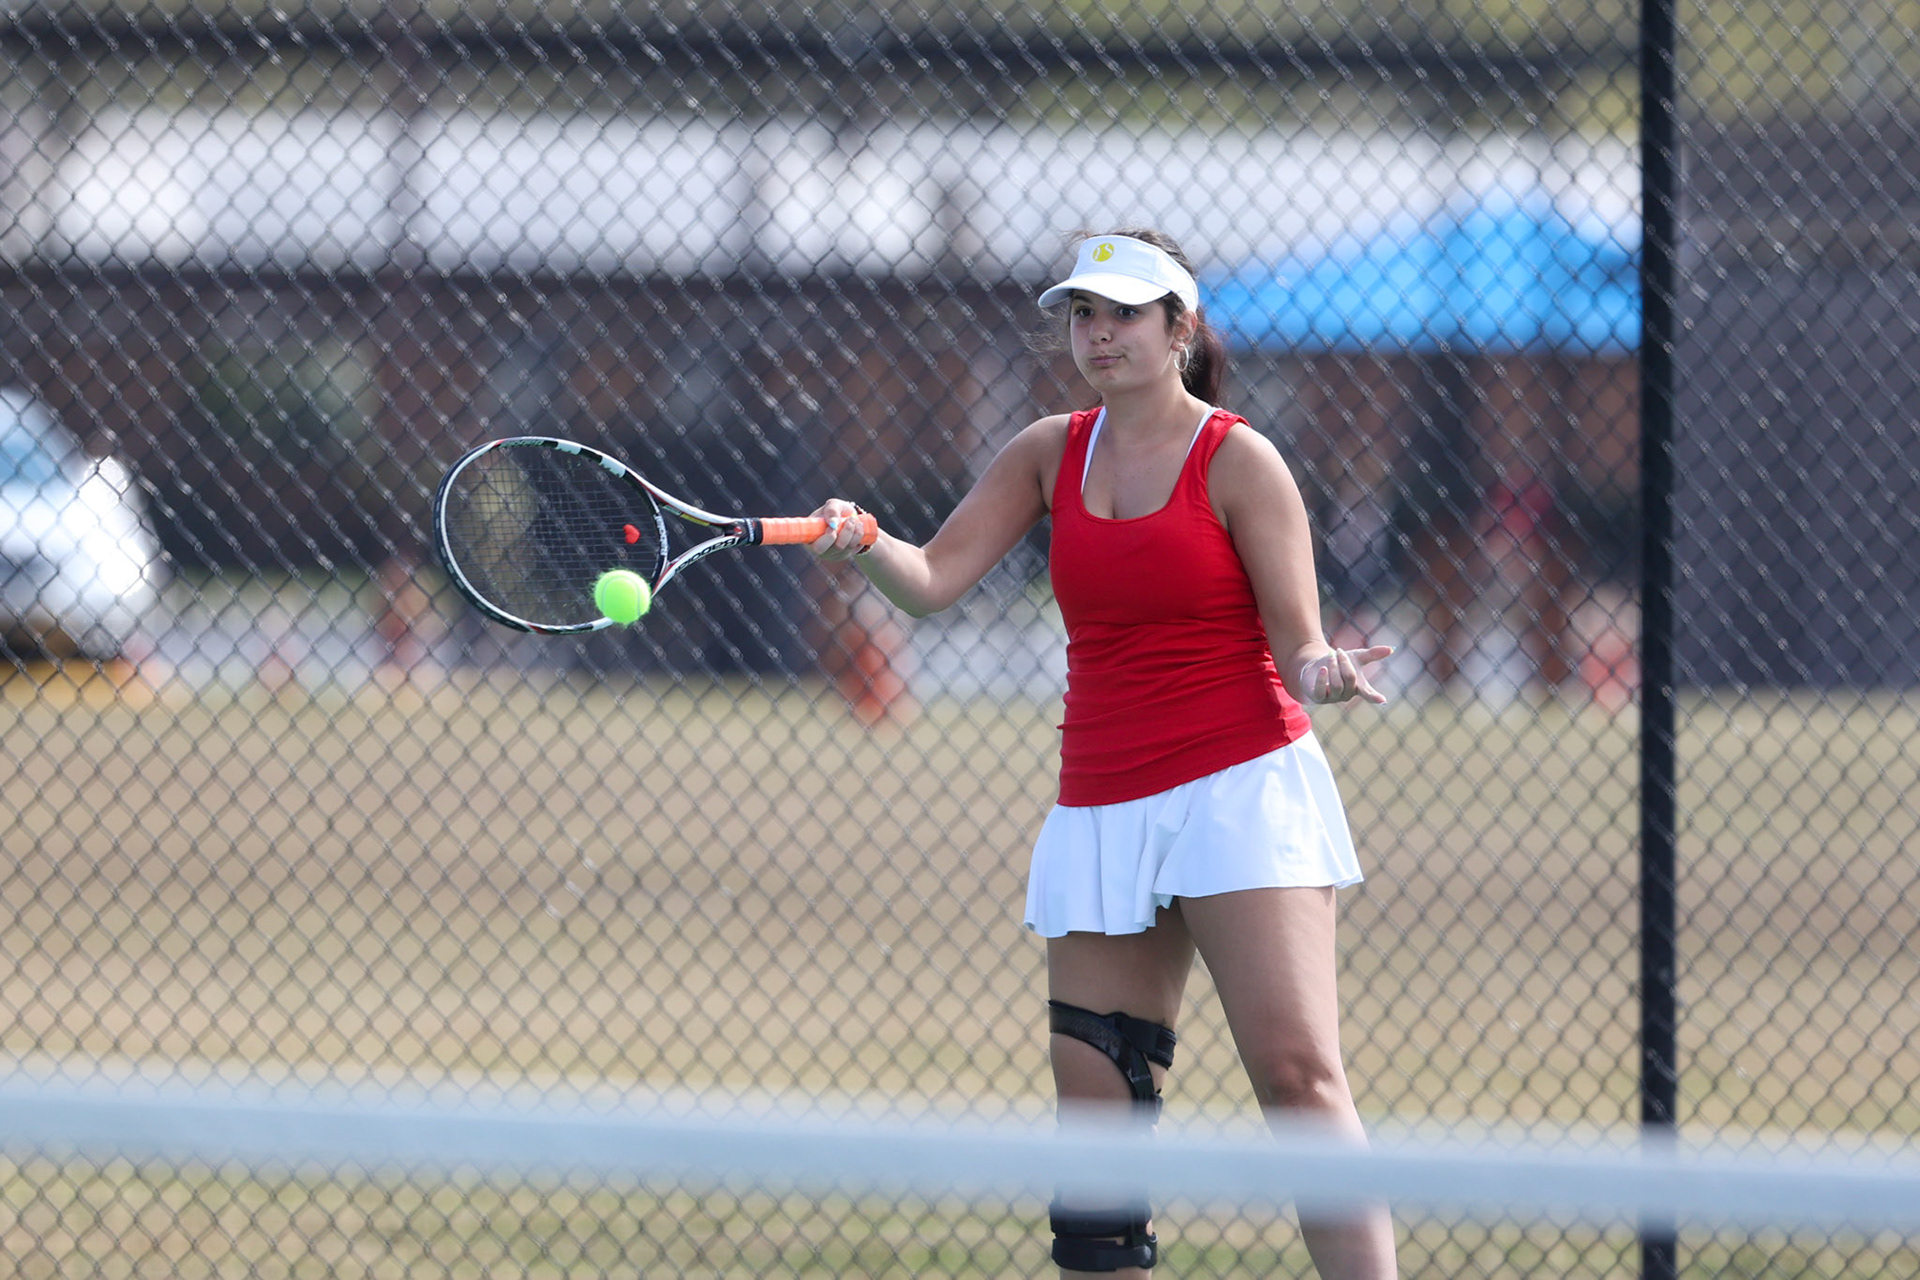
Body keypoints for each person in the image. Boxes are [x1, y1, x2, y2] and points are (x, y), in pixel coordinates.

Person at [808, 229, 1398, 1279]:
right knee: (1098, 1118)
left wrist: (1324, 670)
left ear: (1182, 328)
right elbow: (934, 578)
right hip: (1100, 806)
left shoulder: (1240, 457)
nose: (1099, 331)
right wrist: (862, 539)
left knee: (1300, 1079)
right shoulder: (1047, 451)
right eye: (1084, 312)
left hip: (1241, 789)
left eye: (1125, 311)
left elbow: (1300, 639)